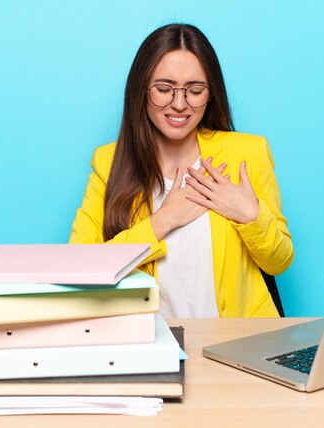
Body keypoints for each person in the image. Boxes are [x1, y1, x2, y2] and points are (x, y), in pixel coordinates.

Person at [70, 23, 293, 318]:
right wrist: (163, 220)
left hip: (238, 344)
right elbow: (79, 271)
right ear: (141, 89)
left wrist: (250, 216)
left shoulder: (247, 153)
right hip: (148, 346)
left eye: (195, 90)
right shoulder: (109, 162)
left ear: (210, 93)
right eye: (164, 89)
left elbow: (278, 262)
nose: (179, 104)